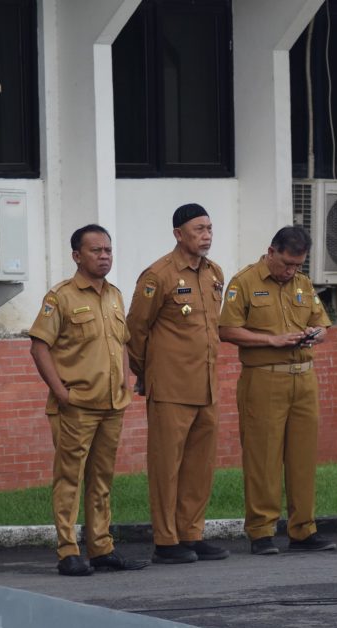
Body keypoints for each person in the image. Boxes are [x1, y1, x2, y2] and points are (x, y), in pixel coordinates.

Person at [28, 225, 149, 576]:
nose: (104, 256)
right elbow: (39, 347)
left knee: (102, 480)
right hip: (76, 405)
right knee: (69, 479)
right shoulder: (60, 297)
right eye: (96, 251)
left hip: (112, 405)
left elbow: (122, 341)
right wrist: (61, 393)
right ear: (77, 256)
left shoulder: (114, 295)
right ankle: (68, 551)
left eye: (108, 250)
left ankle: (101, 548)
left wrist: (125, 382)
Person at [218, 226, 335, 555]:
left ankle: (303, 528)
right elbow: (226, 329)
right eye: (286, 263)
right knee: (263, 457)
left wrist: (316, 333)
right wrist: (271, 340)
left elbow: (323, 324)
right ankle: (261, 530)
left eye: (297, 265)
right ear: (271, 252)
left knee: (303, 457)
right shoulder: (244, 282)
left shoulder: (303, 283)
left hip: (303, 377)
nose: (290, 271)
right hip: (264, 378)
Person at [125, 204, 229, 564]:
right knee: (166, 466)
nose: (207, 235)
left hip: (207, 386)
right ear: (178, 234)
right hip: (170, 386)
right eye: (199, 228)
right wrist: (146, 373)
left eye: (210, 228)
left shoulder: (214, 273)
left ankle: (191, 533)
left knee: (199, 466)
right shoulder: (158, 276)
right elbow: (135, 331)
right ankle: (166, 540)